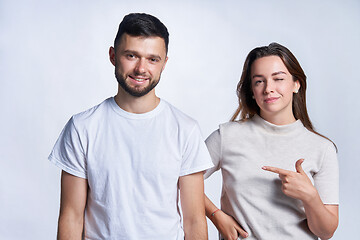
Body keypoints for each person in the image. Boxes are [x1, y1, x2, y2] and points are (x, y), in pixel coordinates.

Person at [48, 13, 213, 240]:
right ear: (113, 56)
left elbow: (194, 221)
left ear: (164, 63)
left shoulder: (185, 129)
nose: (141, 68)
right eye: (131, 55)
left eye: (152, 59)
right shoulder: (82, 127)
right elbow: (71, 216)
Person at [204, 43, 339, 240]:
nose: (268, 89)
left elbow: (326, 232)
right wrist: (216, 216)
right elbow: (181, 178)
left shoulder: (322, 148)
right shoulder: (226, 136)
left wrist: (310, 197)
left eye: (278, 79)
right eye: (259, 81)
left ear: (296, 84)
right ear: (251, 89)